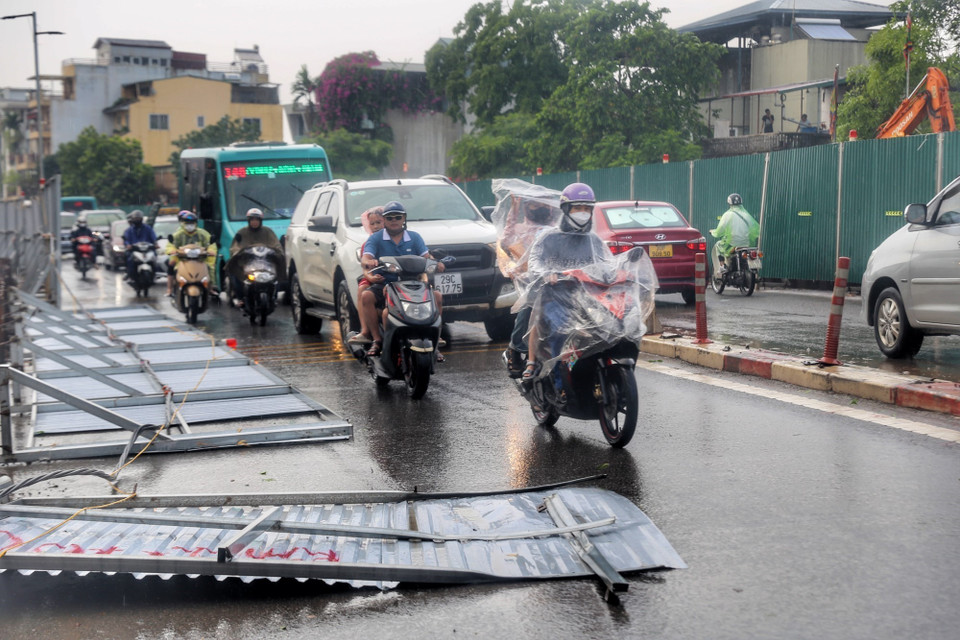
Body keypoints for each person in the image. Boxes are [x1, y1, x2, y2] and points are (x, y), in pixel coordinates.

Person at [522, 182, 611, 389]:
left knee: (609, 331)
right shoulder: (549, 237)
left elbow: (607, 264)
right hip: (555, 296)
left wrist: (617, 274)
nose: (583, 213)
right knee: (561, 331)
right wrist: (546, 273)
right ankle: (559, 383)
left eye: (587, 208)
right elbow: (535, 262)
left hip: (588, 299)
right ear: (566, 209)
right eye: (577, 208)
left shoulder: (594, 240)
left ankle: (591, 370)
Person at [358, 200, 445, 359]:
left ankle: (435, 340)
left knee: (437, 296)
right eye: (389, 218)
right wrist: (368, 261)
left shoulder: (414, 237)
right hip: (386, 284)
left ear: (404, 219)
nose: (394, 221)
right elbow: (365, 257)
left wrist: (435, 263)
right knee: (367, 297)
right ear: (384, 220)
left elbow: (426, 257)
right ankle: (378, 340)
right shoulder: (376, 238)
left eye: (397, 217)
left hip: (414, 284)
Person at [497, 194, 560, 377]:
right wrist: (513, 209)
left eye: (542, 204)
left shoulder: (554, 229)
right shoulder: (521, 229)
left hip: (556, 280)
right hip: (531, 281)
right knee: (527, 310)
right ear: (526, 208)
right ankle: (515, 348)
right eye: (534, 204)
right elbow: (507, 240)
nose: (539, 207)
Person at [227, 207, 283, 306]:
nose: (254, 222)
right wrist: (238, 252)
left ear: (260, 221)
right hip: (247, 263)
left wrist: (277, 252)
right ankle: (241, 298)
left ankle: (274, 296)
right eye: (252, 219)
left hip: (266, 263)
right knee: (233, 272)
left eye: (257, 220)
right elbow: (234, 247)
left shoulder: (268, 232)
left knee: (278, 272)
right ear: (248, 221)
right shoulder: (242, 232)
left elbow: (276, 245)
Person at [347, 206, 385, 344]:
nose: (375, 226)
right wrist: (371, 278)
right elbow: (366, 267)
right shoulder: (368, 243)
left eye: (379, 222)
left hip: (392, 277)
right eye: (372, 224)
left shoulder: (395, 239)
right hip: (373, 277)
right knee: (363, 290)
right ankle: (365, 331)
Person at [166, 210, 217, 296]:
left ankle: (210, 288)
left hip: (200, 259)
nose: (190, 225)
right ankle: (170, 289)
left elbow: (211, 243)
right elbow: (171, 244)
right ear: (183, 223)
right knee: (171, 264)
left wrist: (211, 250)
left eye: (192, 223)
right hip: (182, 259)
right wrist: (172, 250)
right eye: (187, 223)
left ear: (196, 224)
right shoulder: (178, 234)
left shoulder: (202, 234)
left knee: (209, 267)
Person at [710, 194, 760, 272]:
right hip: (747, 244)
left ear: (729, 203)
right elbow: (756, 229)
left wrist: (713, 232)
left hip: (732, 244)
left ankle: (722, 266)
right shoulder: (747, 215)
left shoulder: (727, 215)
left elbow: (719, 231)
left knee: (718, 245)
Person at [121, 209, 157, 281]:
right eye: (135, 218)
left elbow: (153, 237)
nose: (137, 219)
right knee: (128, 257)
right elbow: (126, 239)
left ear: (142, 218)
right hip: (134, 250)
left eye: (139, 218)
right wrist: (128, 245)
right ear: (133, 219)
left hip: (147, 249)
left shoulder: (148, 228)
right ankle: (129, 273)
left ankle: (154, 273)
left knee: (155, 256)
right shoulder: (129, 230)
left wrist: (156, 244)